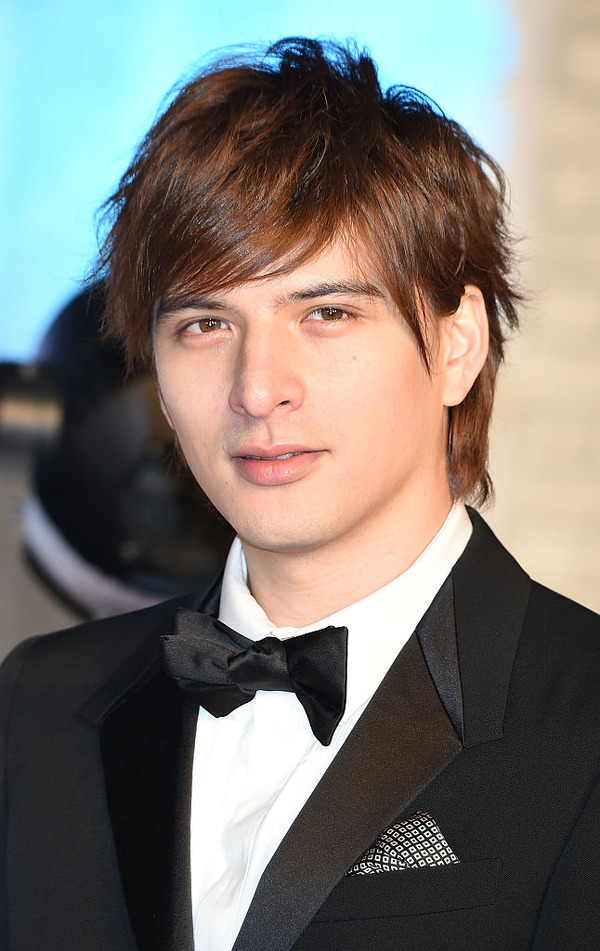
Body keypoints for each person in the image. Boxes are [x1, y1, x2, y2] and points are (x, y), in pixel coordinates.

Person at [1, 37, 599, 951]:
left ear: (456, 344)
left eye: (326, 314)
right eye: (206, 324)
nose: (256, 385)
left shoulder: (581, 717)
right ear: (153, 374)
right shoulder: (35, 708)